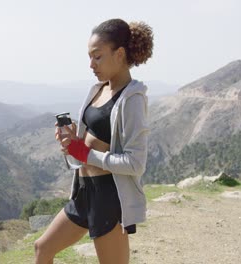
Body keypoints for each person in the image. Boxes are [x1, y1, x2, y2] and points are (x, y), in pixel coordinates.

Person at [34, 18, 153, 264]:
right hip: (84, 193)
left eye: (97, 56)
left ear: (119, 54)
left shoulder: (132, 99)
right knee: (42, 248)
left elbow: (135, 163)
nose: (91, 64)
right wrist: (72, 142)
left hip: (108, 198)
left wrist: (85, 153)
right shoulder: (97, 90)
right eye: (90, 57)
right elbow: (86, 146)